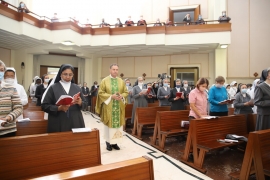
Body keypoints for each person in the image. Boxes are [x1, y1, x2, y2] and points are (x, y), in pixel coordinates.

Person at [41, 64, 85, 133]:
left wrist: (80, 103)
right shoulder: (53, 88)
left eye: (70, 75)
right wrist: (58, 108)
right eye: (65, 74)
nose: (68, 77)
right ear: (60, 74)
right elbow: (44, 106)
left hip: (75, 121)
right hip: (58, 122)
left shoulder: (77, 88)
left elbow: (85, 103)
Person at [95, 64, 128, 151]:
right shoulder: (104, 81)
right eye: (113, 69)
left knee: (117, 127)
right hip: (109, 107)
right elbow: (101, 93)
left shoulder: (121, 81)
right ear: (110, 70)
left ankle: (115, 143)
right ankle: (108, 142)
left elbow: (126, 92)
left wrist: (122, 96)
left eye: (117, 69)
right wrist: (111, 96)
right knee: (109, 126)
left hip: (118, 107)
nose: (115, 71)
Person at [0, 68, 23, 137]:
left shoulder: (11, 88)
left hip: (7, 130)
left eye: (1, 70)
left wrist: (8, 118)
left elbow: (19, 108)